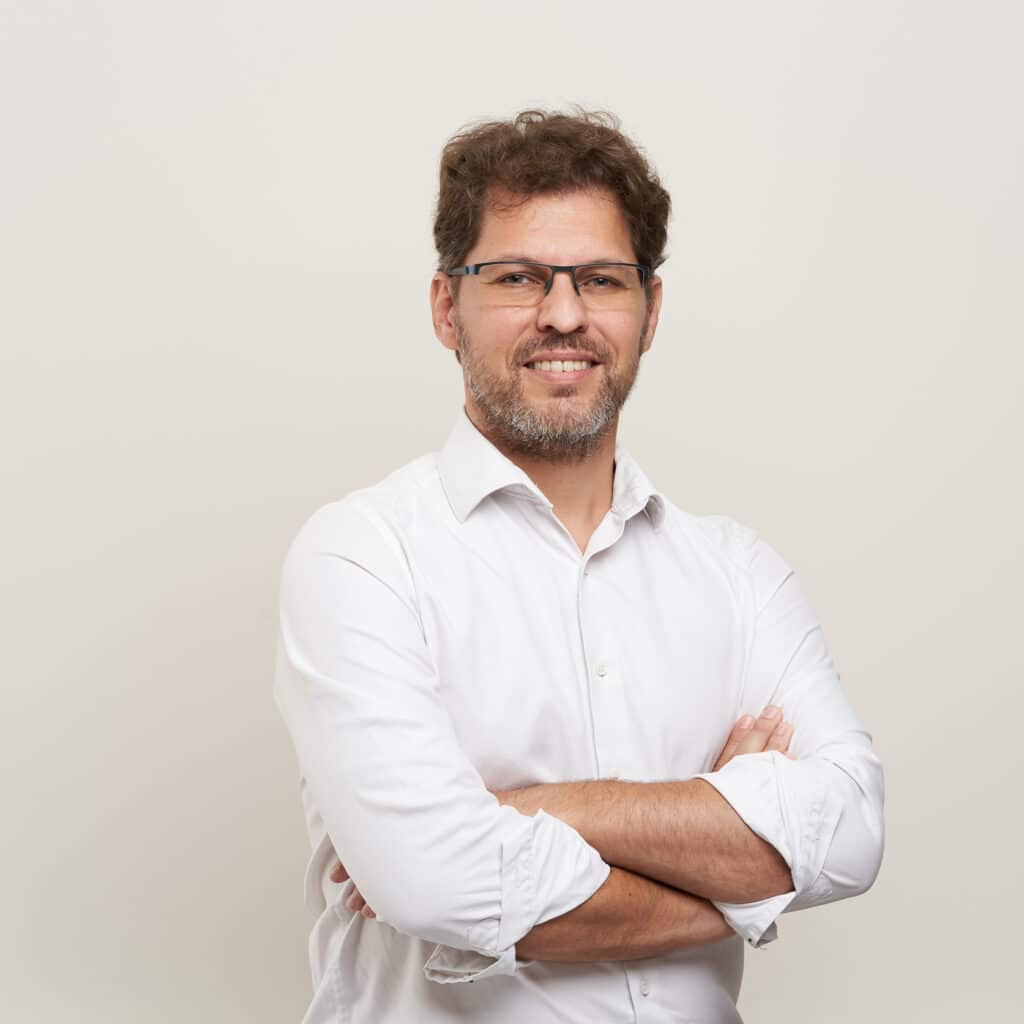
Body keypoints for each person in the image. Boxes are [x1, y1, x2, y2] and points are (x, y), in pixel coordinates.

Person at [273, 107, 885, 1024]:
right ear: (446, 308)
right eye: (518, 277)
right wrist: (731, 856)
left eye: (600, 279)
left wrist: (520, 808)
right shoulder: (361, 557)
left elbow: (852, 833)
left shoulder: (739, 574)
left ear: (650, 310)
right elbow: (437, 879)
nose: (563, 315)